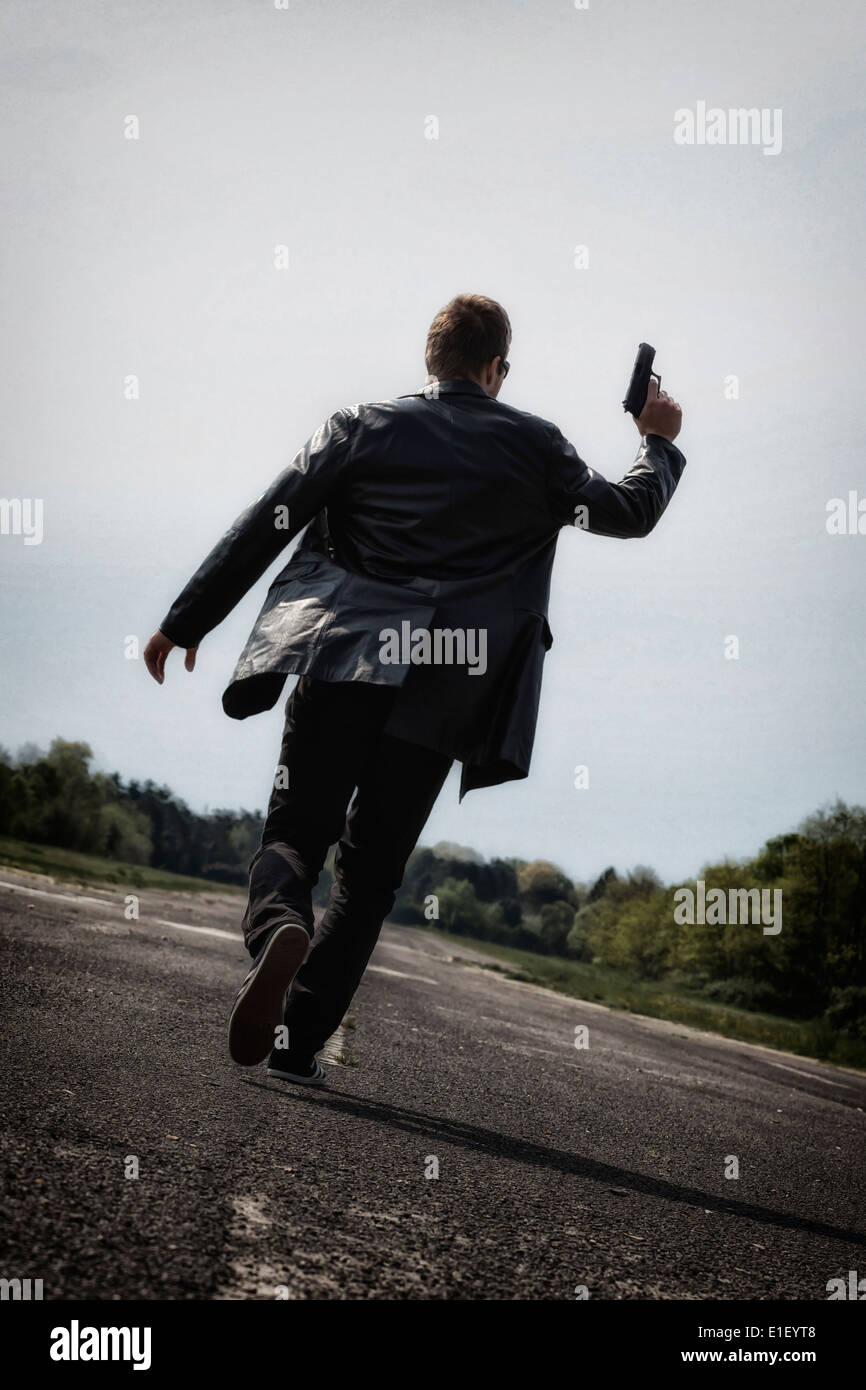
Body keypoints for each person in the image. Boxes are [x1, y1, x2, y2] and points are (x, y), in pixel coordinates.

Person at [144, 293, 685, 1086]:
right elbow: (629, 512)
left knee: (295, 832)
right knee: (369, 880)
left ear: (432, 359)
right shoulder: (537, 446)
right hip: (445, 691)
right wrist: (657, 443)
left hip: (344, 658)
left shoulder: (359, 426)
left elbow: (271, 518)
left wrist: (187, 620)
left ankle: (280, 923)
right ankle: (296, 1043)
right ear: (496, 368)